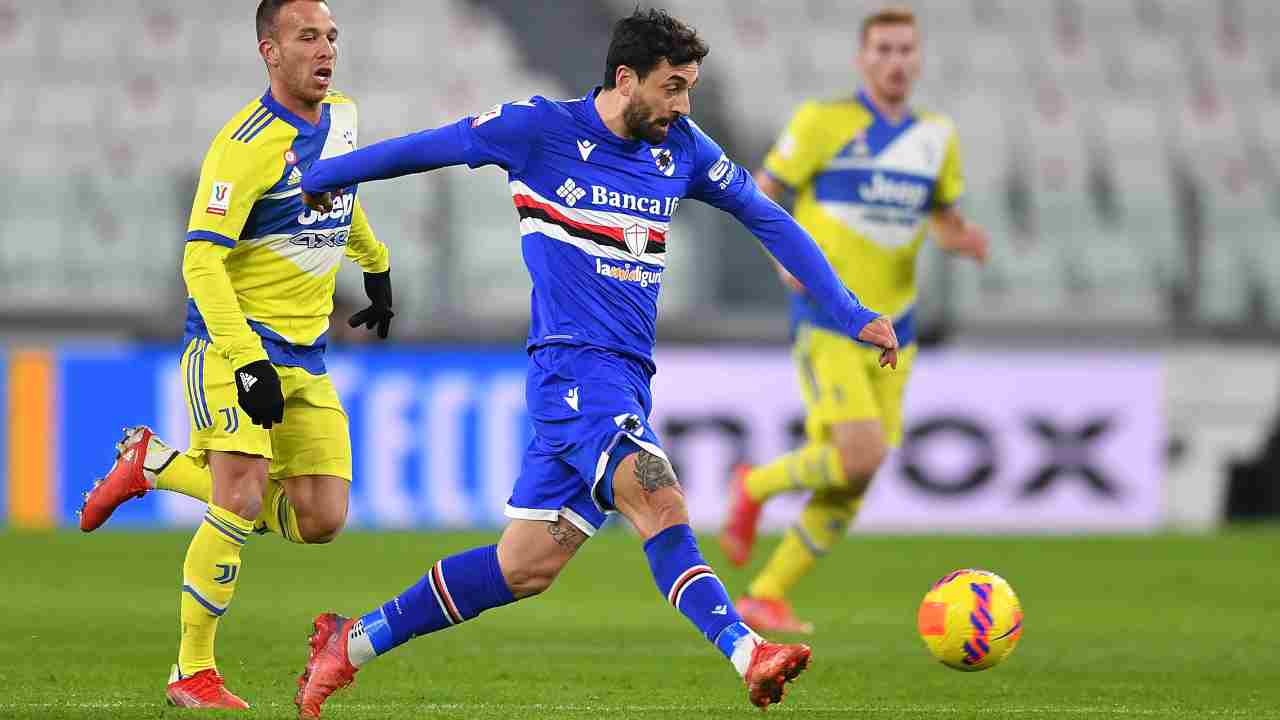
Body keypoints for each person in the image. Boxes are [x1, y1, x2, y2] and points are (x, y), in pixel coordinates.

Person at [289, 8, 898, 718]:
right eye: (672, 88)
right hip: (573, 372)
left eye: (691, 89)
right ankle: (747, 651)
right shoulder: (539, 130)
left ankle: (348, 642)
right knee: (658, 494)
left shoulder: (685, 150)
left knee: (525, 565)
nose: (684, 105)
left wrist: (850, 311)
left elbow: (768, 217)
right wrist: (326, 173)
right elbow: (437, 145)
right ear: (624, 79)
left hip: (625, 380)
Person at [76, 0, 394, 708]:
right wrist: (246, 359)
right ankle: (191, 670)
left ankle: (153, 464)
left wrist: (376, 264)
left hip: (306, 356)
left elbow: (341, 195)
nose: (325, 49)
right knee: (243, 492)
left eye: (331, 37)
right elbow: (200, 262)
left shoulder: (341, 115)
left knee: (322, 517)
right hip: (229, 348)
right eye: (307, 36)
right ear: (268, 52)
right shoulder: (242, 145)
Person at [718, 6, 989, 634]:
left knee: (851, 478)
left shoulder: (937, 137)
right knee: (861, 455)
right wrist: (782, 258)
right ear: (862, 59)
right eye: (884, 50)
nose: (896, 62)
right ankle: (756, 485)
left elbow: (942, 219)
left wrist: (962, 239)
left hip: (901, 327)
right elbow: (760, 192)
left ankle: (765, 594)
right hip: (829, 316)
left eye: (906, 51)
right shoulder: (822, 122)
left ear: (918, 60)